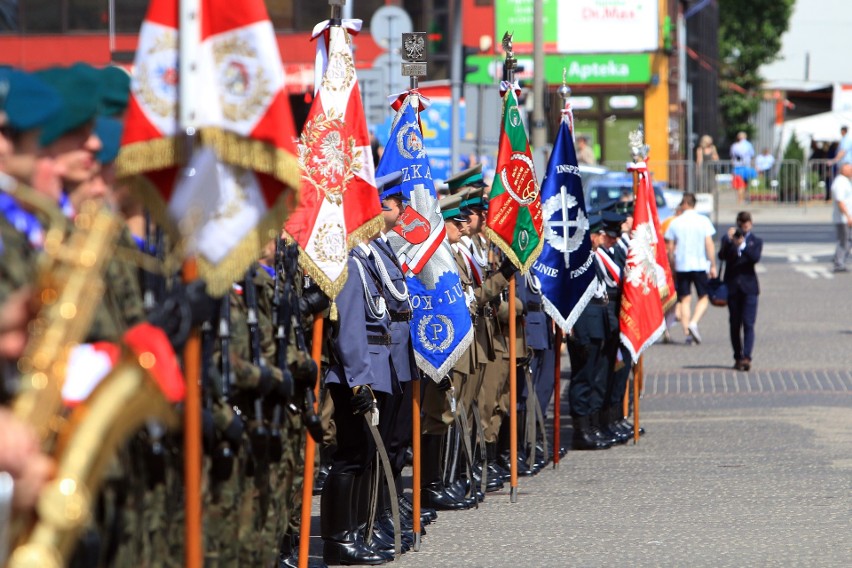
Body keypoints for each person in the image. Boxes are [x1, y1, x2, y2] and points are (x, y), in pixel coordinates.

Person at [664, 193, 717, 344]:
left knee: (685, 299)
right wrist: (712, 264)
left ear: (685, 204)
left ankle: (687, 333)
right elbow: (709, 243)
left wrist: (672, 266)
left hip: (682, 264)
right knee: (703, 297)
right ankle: (694, 322)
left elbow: (670, 248)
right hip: (699, 263)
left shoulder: (676, 222)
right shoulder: (703, 220)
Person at [718, 211, 762, 371]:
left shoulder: (755, 241)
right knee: (734, 324)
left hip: (750, 288)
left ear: (751, 224)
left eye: (747, 223)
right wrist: (729, 242)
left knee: (749, 323)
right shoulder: (728, 240)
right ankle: (737, 356)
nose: (744, 226)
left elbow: (754, 258)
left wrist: (742, 245)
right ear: (737, 223)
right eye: (741, 223)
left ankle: (747, 357)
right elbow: (722, 256)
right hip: (732, 287)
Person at [830, 163, 852, 273]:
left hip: (845, 217)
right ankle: (839, 262)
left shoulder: (845, 181)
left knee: (847, 240)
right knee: (844, 240)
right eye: (850, 169)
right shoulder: (840, 183)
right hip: (843, 218)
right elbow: (840, 201)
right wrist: (848, 216)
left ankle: (839, 259)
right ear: (844, 170)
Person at [730, 131, 756, 203]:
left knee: (740, 185)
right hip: (745, 167)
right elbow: (752, 154)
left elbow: (732, 155)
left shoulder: (734, 146)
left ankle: (741, 199)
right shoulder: (748, 145)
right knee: (743, 185)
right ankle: (741, 199)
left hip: (737, 167)